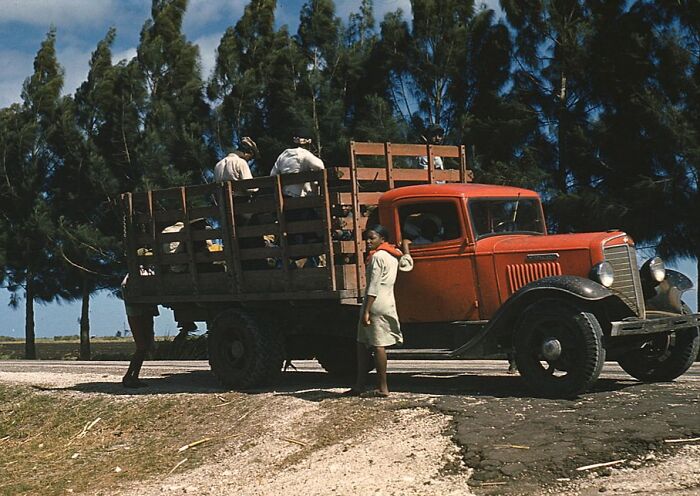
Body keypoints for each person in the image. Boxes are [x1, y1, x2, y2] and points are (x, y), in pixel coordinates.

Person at [344, 225, 413, 397]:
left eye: (372, 238)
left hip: (374, 303)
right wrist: (405, 247)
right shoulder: (393, 255)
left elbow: (373, 286)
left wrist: (366, 310)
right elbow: (407, 264)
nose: (368, 242)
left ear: (382, 239)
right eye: (367, 238)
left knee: (376, 345)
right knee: (362, 342)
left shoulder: (377, 257)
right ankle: (360, 385)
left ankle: (382, 388)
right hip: (387, 301)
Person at [121, 274, 158, 388]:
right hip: (136, 314)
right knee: (142, 347)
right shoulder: (130, 280)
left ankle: (132, 377)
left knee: (143, 347)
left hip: (140, 313)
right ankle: (130, 377)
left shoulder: (130, 279)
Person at [270, 130, 325, 197]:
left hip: (285, 198)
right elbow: (320, 166)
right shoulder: (304, 153)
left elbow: (273, 174)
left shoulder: (283, 154)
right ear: (308, 143)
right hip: (302, 199)